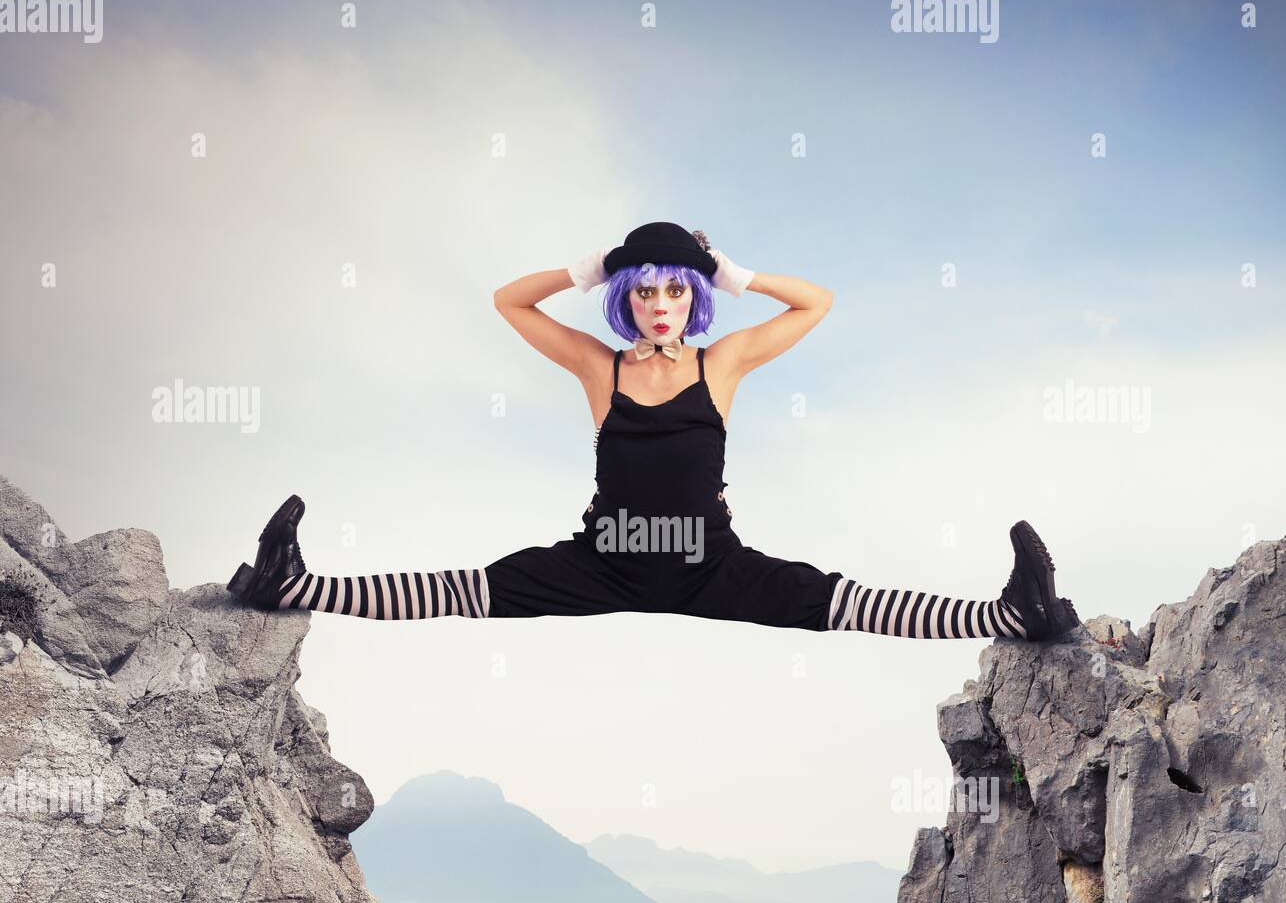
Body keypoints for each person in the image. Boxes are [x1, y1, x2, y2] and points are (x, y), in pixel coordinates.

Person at [228, 221, 1079, 641]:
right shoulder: (601, 367)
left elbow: (817, 301)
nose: (661, 307)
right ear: (627, 298)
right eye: (645, 291)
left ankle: (1014, 615)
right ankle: (290, 587)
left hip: (710, 567)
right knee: (468, 588)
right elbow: (508, 301)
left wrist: (729, 269)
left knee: (837, 600)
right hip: (603, 562)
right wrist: (595, 263)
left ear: (694, 299)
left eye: (676, 292)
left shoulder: (725, 363)